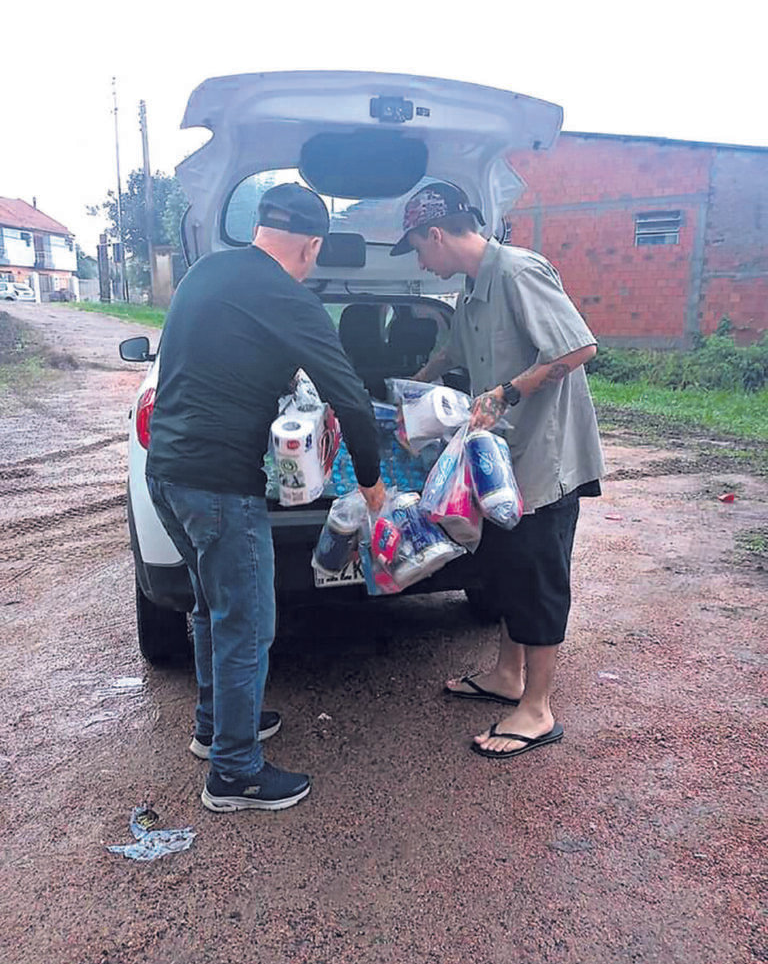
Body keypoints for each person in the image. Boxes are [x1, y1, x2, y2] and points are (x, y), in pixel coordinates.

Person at [146, 183, 385, 811]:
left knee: (208, 606)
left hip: (165, 475)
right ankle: (235, 773)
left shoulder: (207, 272)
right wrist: (372, 484)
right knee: (247, 625)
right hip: (220, 486)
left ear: (259, 227)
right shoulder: (287, 296)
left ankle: (215, 726)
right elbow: (353, 399)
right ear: (312, 245)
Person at [391, 181, 604, 760]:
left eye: (417, 248)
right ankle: (508, 676)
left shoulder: (516, 272)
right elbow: (451, 355)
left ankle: (537, 709)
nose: (420, 261)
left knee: (538, 574)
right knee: (509, 566)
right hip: (503, 463)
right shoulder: (472, 291)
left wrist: (506, 393)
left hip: (546, 457)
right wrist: (413, 391)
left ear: (436, 233)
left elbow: (577, 349)